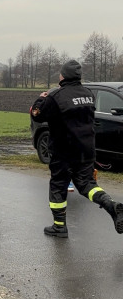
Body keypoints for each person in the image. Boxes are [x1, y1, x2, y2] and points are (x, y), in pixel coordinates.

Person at [31, 59, 123, 237]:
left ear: (63, 76)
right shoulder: (89, 94)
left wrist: (40, 99)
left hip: (63, 151)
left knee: (58, 186)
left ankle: (59, 226)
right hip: (87, 150)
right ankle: (111, 205)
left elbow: (37, 115)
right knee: (88, 185)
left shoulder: (56, 96)